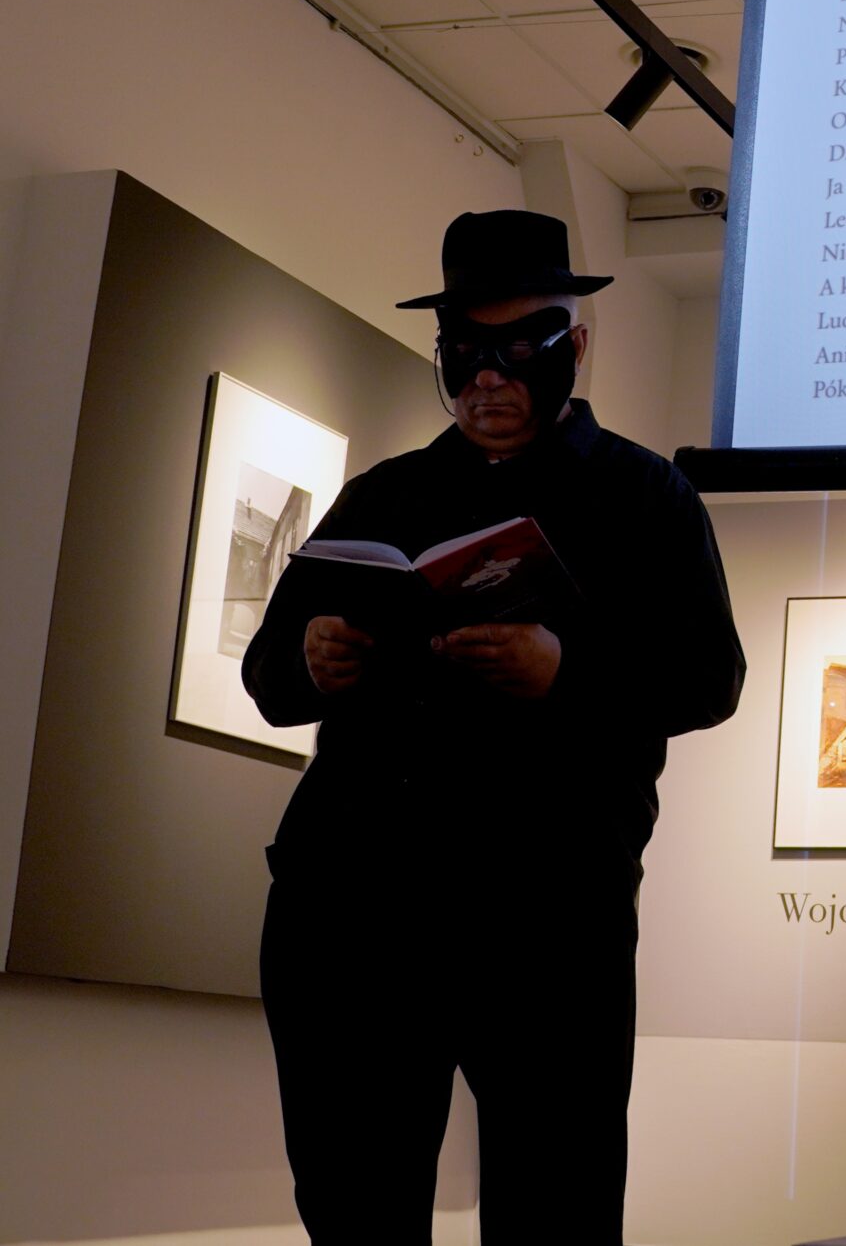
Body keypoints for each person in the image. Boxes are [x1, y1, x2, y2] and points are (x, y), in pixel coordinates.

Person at [244, 209, 746, 1244]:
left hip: (546, 917)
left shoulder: (646, 497)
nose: (489, 376)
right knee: (354, 1208)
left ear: (575, 345)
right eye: (465, 351)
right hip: (355, 907)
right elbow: (267, 674)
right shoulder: (384, 495)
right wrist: (312, 658)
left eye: (521, 347)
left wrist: (566, 671)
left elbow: (710, 677)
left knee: (554, 1207)